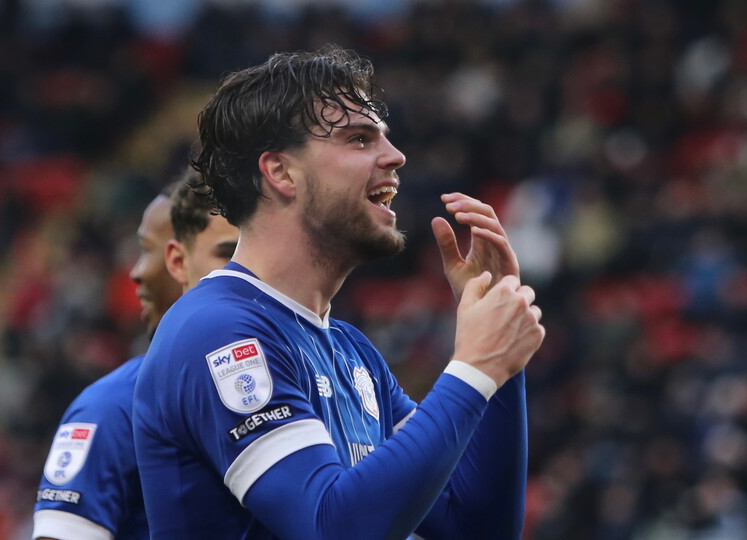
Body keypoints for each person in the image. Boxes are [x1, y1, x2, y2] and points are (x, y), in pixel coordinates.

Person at [133, 45, 545, 540]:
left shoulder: (353, 352)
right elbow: (331, 528)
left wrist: (502, 359)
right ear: (280, 172)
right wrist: (475, 368)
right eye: (358, 139)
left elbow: (475, 529)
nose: (395, 156)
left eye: (384, 138)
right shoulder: (217, 330)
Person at [32, 174, 239, 540]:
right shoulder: (111, 409)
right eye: (143, 249)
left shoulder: (313, 385)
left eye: (146, 250)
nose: (137, 272)